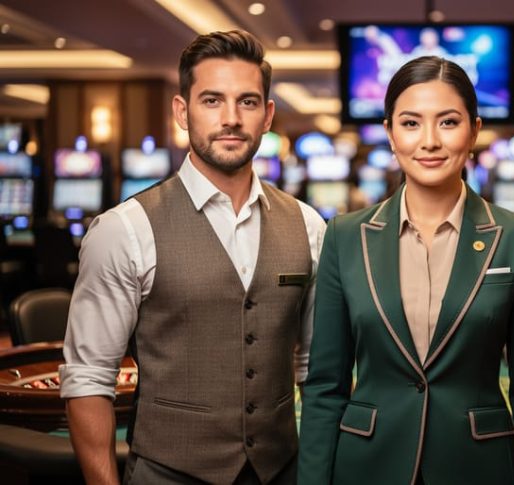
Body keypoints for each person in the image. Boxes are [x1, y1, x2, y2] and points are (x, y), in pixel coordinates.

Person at [60, 30, 326, 485]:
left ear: (267, 116)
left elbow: (313, 370)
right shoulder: (124, 229)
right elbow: (88, 379)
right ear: (182, 112)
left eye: (247, 102)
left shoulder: (309, 225)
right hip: (167, 472)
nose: (230, 118)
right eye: (211, 101)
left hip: (282, 470)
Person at [298, 56, 514, 485]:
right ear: (390, 132)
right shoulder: (345, 236)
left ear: (474, 130)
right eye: (411, 123)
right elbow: (326, 387)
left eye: (449, 122)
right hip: (367, 465)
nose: (430, 141)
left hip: (478, 466)